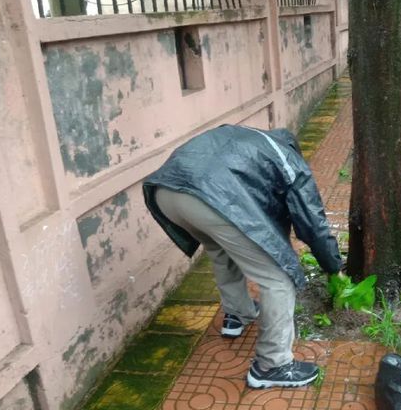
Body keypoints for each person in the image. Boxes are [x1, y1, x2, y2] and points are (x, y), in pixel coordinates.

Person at [143, 125, 343, 388]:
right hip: (207, 195)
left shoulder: (249, 138)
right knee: (279, 277)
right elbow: (312, 224)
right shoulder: (288, 159)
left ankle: (237, 314)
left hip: (164, 192)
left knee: (220, 250)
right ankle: (272, 365)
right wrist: (333, 268)